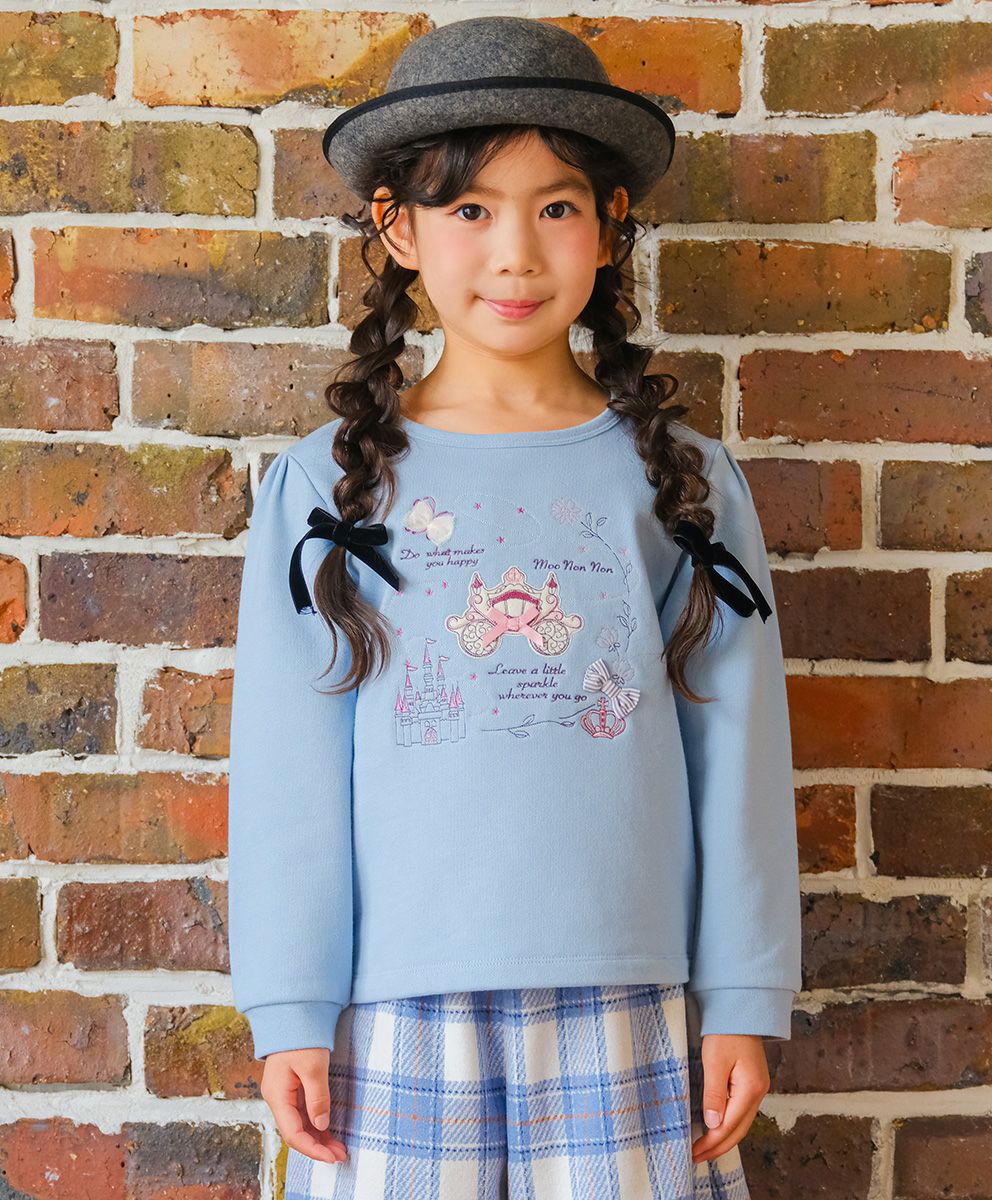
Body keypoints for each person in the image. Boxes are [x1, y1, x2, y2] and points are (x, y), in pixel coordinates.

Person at [227, 15, 802, 1200]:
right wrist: (289, 1005)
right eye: (469, 209)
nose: (516, 255)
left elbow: (738, 746)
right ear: (398, 227)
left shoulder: (681, 482)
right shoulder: (325, 488)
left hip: (629, 994)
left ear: (609, 224)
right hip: (392, 1011)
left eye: (556, 207)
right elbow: (288, 766)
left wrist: (743, 994)